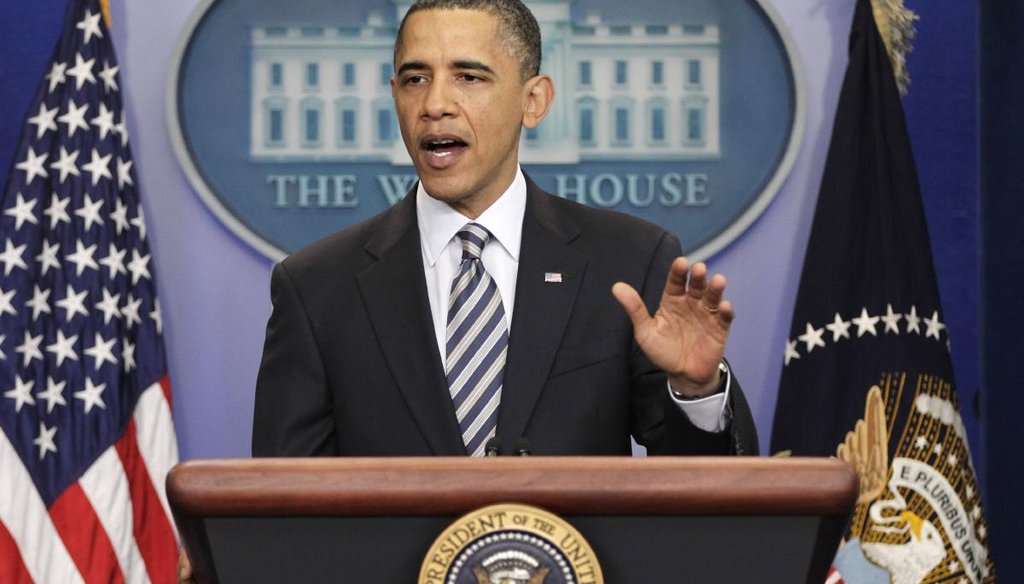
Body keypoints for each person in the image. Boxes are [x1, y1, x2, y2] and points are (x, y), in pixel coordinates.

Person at [250, 0, 758, 459]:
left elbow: (702, 497)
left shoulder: (628, 261)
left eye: (469, 77)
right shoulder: (317, 287)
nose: (434, 104)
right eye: (414, 79)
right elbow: (283, 505)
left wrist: (696, 392)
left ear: (533, 101)